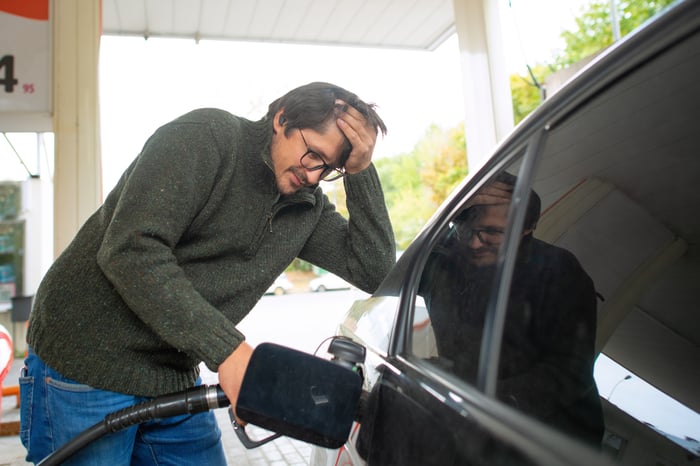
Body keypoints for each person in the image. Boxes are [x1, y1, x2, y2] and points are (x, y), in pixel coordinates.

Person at [21, 82, 396, 465]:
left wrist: (360, 171)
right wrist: (228, 352)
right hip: (85, 364)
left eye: (329, 168)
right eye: (312, 154)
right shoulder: (206, 139)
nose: (314, 176)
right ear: (281, 118)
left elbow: (375, 270)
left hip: (170, 376)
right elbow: (131, 250)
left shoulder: (305, 205)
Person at [419, 172, 604, 447]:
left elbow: (569, 372)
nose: (473, 243)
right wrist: (450, 213)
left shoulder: (559, 272)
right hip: (470, 426)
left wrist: (483, 400)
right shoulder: (446, 255)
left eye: (492, 233)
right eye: (465, 228)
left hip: (547, 441)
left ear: (527, 228)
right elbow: (389, 275)